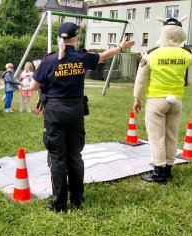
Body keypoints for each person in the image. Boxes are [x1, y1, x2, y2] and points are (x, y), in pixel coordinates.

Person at [30, 22, 135, 212]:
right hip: (76, 111)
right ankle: (78, 200)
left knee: (57, 157)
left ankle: (59, 204)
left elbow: (33, 86)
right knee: (75, 156)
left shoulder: (49, 60)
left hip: (54, 112)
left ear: (59, 38)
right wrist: (121, 47)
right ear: (76, 37)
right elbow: (103, 56)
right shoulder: (82, 57)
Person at [132, 17, 192, 184]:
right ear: (179, 35)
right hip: (176, 101)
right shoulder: (184, 54)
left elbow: (141, 79)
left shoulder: (152, 54)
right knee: (171, 135)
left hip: (156, 101)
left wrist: (137, 98)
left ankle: (158, 172)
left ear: (163, 33)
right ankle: (168, 168)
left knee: (156, 137)